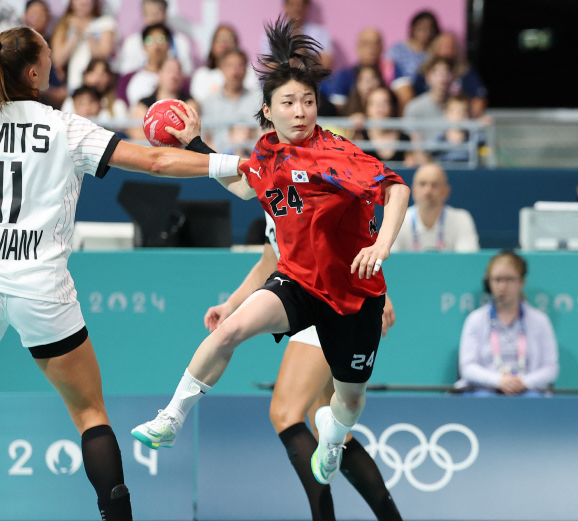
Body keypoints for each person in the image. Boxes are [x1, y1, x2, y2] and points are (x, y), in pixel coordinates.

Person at [0, 25, 243, 520]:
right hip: (42, 286)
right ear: (34, 72)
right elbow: (152, 160)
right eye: (49, 56)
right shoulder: (65, 126)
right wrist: (240, 163)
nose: (54, 64)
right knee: (89, 413)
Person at [131, 18, 411, 491]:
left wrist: (381, 245)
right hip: (299, 281)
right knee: (232, 328)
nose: (301, 111)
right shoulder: (267, 154)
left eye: (308, 101)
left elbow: (396, 187)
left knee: (349, 400)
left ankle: (335, 440)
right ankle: (170, 417)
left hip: (353, 294)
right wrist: (195, 146)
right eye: (289, 103)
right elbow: (244, 187)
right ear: (268, 110)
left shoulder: (335, 154)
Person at [170, 104, 401, 520]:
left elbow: (355, 229)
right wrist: (232, 304)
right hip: (303, 295)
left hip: (335, 301)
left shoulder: (322, 170)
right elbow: (268, 261)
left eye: (306, 105)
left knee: (289, 412)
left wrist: (380, 294)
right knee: (322, 418)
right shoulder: (271, 180)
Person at [455, 251, 559, 396]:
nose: (502, 286)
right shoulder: (475, 319)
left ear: (521, 282)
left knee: (533, 400)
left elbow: (550, 368)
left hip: (527, 389)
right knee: (485, 399)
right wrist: (497, 380)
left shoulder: (540, 320)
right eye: (497, 280)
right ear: (488, 283)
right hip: (486, 389)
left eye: (509, 279)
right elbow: (467, 367)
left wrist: (524, 382)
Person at [392, 163, 479, 252]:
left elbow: (467, 261)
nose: (428, 191)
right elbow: (391, 261)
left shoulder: (461, 219)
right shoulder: (397, 220)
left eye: (434, 185)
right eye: (422, 184)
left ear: (446, 191)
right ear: (413, 190)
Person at [411, 33, 488, 118]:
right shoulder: (423, 70)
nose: (447, 51)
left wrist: (472, 119)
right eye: (443, 46)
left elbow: (479, 98)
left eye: (451, 47)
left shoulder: (466, 71)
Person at [200, 48, 261, 154]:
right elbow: (205, 140)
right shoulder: (209, 102)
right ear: (221, 69)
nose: (235, 71)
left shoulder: (259, 99)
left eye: (240, 65)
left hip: (253, 160)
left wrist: (251, 135)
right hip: (219, 161)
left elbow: (267, 133)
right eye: (230, 65)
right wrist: (229, 138)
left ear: (246, 69)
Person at [50, 0, 117, 94]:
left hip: (98, 87)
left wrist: (85, 31)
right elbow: (58, 60)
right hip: (74, 85)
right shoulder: (64, 24)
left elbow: (103, 56)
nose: (83, 2)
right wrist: (75, 35)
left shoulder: (105, 22)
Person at [115, 0, 193, 77]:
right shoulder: (132, 43)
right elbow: (126, 73)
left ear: (165, 14)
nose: (153, 19)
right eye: (148, 14)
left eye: (156, 14)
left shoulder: (180, 41)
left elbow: (187, 72)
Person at [325, 28, 392, 112]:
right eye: (366, 43)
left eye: (376, 43)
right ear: (357, 47)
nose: (371, 48)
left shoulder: (391, 70)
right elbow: (338, 109)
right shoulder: (344, 75)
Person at [128, 56, 194, 141]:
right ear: (159, 73)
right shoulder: (143, 104)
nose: (174, 75)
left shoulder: (189, 104)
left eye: (178, 71)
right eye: (169, 71)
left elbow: (192, 133)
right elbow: (136, 134)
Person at [386, 10, 440, 113]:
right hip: (401, 91)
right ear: (413, 28)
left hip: (427, 92)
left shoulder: (434, 52)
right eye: (422, 28)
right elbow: (388, 69)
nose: (426, 32)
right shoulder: (398, 49)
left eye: (430, 28)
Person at [189, 25, 259, 104]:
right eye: (219, 38)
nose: (224, 43)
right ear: (212, 45)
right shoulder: (202, 74)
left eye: (229, 38)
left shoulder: (248, 70)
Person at [357, 86, 417, 167]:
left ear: (392, 107)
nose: (379, 107)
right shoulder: (359, 137)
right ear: (367, 109)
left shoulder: (405, 138)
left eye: (385, 102)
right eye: (374, 103)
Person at [403, 55, 454, 141]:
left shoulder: (461, 105)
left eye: (447, 72)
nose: (443, 78)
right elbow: (413, 143)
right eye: (437, 73)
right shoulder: (414, 107)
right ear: (427, 78)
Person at [62, 58, 129, 120]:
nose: (98, 78)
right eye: (93, 72)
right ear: (85, 76)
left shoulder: (117, 105)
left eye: (103, 74)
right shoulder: (71, 100)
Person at [125, 23, 173, 108]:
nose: (156, 45)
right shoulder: (132, 79)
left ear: (169, 44)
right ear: (144, 46)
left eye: (161, 39)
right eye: (150, 40)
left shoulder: (177, 79)